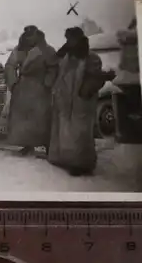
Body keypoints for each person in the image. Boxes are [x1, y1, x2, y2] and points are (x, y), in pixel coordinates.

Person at [48, 27, 116, 176]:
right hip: (65, 99)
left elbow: (95, 77)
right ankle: (65, 159)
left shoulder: (91, 58)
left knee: (80, 132)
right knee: (65, 130)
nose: (68, 42)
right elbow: (56, 68)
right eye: (67, 39)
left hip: (81, 100)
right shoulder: (67, 56)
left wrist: (87, 90)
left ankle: (81, 164)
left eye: (71, 39)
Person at [4, 25, 58, 156]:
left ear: (37, 34)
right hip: (23, 88)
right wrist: (13, 83)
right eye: (27, 35)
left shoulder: (47, 50)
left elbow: (53, 67)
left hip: (40, 88)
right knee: (24, 118)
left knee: (42, 118)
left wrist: (47, 82)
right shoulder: (19, 49)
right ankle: (27, 144)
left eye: (32, 34)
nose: (29, 37)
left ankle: (47, 144)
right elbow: (10, 65)